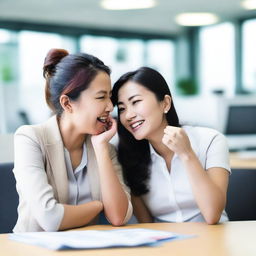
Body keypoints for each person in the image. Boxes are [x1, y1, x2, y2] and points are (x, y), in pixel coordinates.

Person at [13, 49, 132, 232]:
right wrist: (99, 205)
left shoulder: (105, 148)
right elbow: (50, 218)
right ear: (67, 103)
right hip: (34, 249)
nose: (110, 106)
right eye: (101, 97)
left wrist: (100, 149)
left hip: (84, 249)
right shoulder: (29, 139)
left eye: (110, 97)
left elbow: (118, 216)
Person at [111, 67, 230, 224]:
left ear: (165, 103)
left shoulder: (211, 141)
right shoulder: (128, 154)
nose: (128, 115)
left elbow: (212, 214)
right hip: (165, 244)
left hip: (213, 240)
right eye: (122, 108)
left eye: (136, 102)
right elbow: (146, 222)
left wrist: (187, 154)